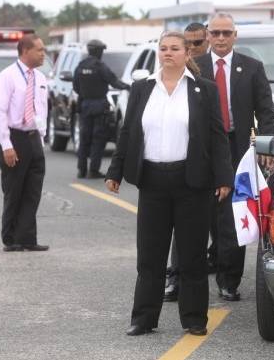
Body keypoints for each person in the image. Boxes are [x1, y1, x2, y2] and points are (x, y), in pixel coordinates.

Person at [105, 31, 233, 336]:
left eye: (175, 48)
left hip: (192, 183)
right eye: (163, 49)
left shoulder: (203, 90)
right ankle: (143, 318)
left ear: (187, 53)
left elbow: (217, 136)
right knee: (150, 255)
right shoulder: (142, 89)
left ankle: (193, 319)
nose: (168, 53)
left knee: (191, 256)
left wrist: (224, 177)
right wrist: (115, 170)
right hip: (152, 181)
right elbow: (128, 133)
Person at [195, 13, 274, 301]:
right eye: (215, 33)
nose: (220, 38)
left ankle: (228, 280)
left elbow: (266, 111)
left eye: (226, 33)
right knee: (196, 213)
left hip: (237, 149)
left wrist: (266, 148)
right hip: (200, 150)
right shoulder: (195, 67)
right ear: (207, 35)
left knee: (234, 215)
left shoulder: (252, 68)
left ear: (235, 35)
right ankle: (179, 276)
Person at [163, 22, 213, 303]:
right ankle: (176, 277)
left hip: (225, 153)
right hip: (187, 161)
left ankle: (224, 272)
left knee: (222, 225)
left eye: (197, 42)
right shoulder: (182, 73)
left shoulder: (231, 69)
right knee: (184, 229)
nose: (193, 48)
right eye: (189, 43)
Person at [0, 34, 49, 252]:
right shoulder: (7, 76)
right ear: (25, 51)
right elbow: (0, 112)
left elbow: (42, 109)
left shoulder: (41, 78)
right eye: (40, 50)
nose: (43, 54)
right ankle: (10, 239)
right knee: (14, 190)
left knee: (33, 191)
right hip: (14, 137)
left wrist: (41, 139)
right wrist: (6, 144)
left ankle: (27, 238)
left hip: (34, 138)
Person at [73, 39, 130, 179]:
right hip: (99, 106)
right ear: (99, 51)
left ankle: (81, 170)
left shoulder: (80, 66)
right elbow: (114, 82)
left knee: (84, 138)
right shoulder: (100, 66)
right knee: (98, 139)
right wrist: (129, 87)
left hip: (85, 105)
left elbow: (75, 87)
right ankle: (93, 170)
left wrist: (85, 95)